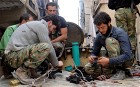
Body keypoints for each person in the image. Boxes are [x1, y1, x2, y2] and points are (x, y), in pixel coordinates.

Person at [4, 14, 63, 84]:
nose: (52, 31)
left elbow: (34, 52)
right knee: (46, 47)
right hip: (12, 57)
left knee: (42, 47)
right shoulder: (41, 26)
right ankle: (21, 72)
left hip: (13, 56)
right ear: (50, 23)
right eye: (53, 28)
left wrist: (50, 62)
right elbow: (49, 49)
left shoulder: (35, 25)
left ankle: (31, 71)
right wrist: (56, 63)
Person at [84, 12, 134, 80]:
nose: (101, 30)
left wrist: (109, 61)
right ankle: (111, 72)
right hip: (111, 60)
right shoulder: (99, 36)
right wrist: (92, 57)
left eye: (103, 27)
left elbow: (127, 55)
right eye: (98, 28)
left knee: (109, 41)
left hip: (126, 61)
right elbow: (94, 52)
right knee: (87, 68)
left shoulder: (120, 33)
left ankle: (121, 70)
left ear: (109, 23)